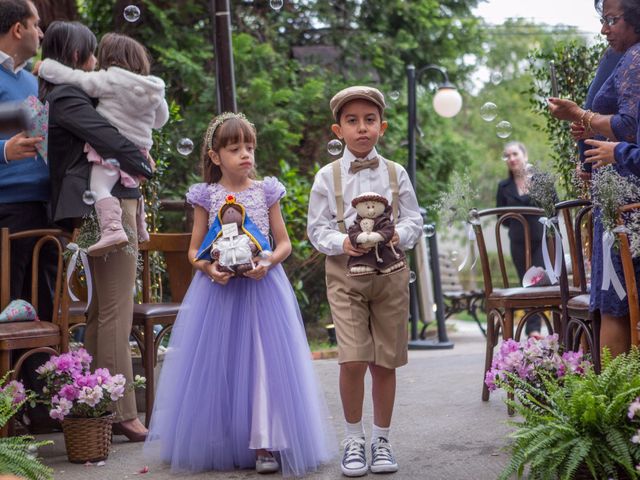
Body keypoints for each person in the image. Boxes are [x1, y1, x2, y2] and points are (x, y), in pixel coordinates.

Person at [145, 112, 332, 476]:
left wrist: (268, 263)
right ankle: (221, 438)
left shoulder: (266, 191)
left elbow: (284, 244)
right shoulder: (207, 196)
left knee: (263, 362)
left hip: (264, 289)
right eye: (235, 148)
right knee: (221, 364)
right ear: (216, 156)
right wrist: (209, 268)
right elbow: (194, 250)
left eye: (249, 147)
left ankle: (266, 442)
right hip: (220, 293)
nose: (245, 154)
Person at [39, 21, 154, 440]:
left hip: (92, 208)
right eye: (90, 56)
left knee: (103, 311)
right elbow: (109, 139)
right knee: (115, 310)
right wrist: (144, 165)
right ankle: (122, 410)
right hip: (104, 210)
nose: (95, 66)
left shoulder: (69, 94)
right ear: (74, 57)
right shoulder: (69, 95)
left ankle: (100, 404)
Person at [307, 86, 423, 476]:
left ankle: (382, 439)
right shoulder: (327, 176)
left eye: (369, 120)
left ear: (382, 127)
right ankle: (353, 439)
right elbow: (316, 228)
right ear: (337, 130)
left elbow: (413, 220)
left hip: (390, 273)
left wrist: (396, 236)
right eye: (352, 121)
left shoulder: (396, 172)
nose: (361, 128)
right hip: (345, 273)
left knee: (385, 361)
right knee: (354, 358)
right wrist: (343, 242)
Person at [549, 0, 640, 356]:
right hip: (615, 192)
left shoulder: (636, 57)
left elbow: (629, 127)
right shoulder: (624, 56)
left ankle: (615, 403)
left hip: (627, 199)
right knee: (614, 300)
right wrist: (585, 126)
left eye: (612, 20)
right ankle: (615, 398)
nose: (605, 29)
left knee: (617, 300)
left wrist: (584, 116)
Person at [37, 32, 168, 255]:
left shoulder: (109, 80)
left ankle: (113, 229)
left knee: (100, 186)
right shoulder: (155, 89)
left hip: (114, 152)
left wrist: (44, 67)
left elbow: (72, 76)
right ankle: (141, 227)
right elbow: (161, 120)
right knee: (131, 183)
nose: (96, 62)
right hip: (141, 147)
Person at [0, 0, 55, 321]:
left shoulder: (35, 82)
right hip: (7, 214)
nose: (41, 33)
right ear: (18, 29)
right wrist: (6, 151)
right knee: (7, 308)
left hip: (45, 210)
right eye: (36, 25)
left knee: (43, 312)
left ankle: (46, 373)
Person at [496, 142, 545, 339]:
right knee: (526, 283)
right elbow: (502, 218)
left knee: (538, 282)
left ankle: (535, 327)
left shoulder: (541, 180)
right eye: (507, 156)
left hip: (541, 241)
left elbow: (553, 208)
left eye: (515, 154)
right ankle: (533, 330)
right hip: (517, 243)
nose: (511, 159)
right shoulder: (503, 186)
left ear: (525, 155)